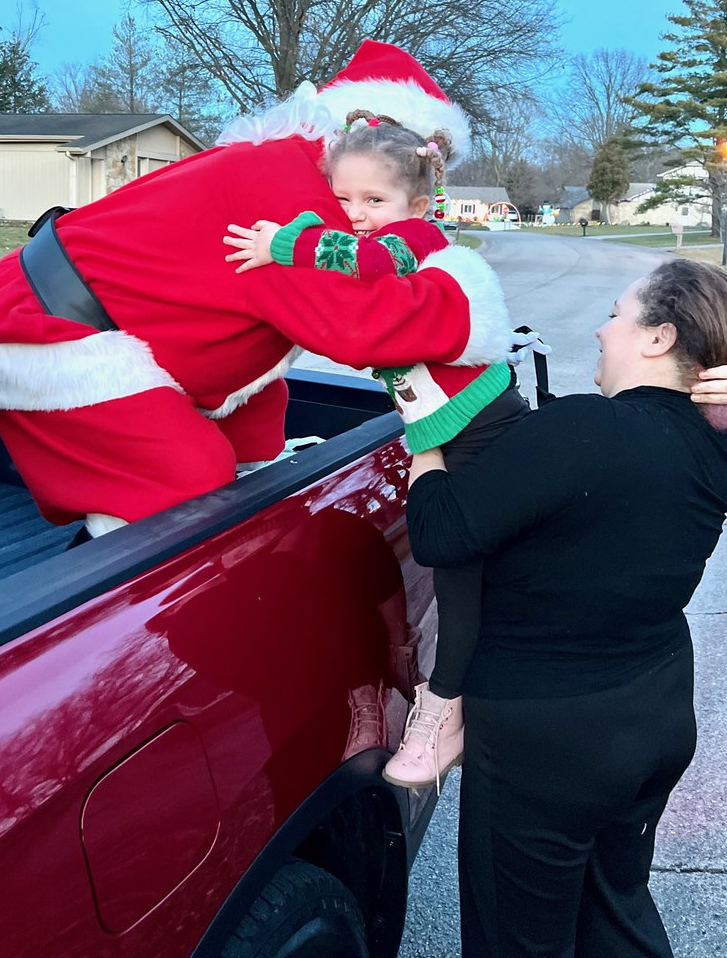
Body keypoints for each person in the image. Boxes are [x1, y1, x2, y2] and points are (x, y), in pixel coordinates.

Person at [0, 41, 517, 540]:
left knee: (259, 422)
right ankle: (119, 591)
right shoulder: (291, 190)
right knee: (184, 485)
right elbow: (358, 327)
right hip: (41, 327)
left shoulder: (308, 172)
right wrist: (466, 302)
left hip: (99, 316)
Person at [404, 257, 727, 958]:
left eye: (616, 314)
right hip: (655, 714)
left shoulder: (579, 432)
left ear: (658, 337)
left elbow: (439, 531)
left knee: (518, 940)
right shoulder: (721, 442)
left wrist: (424, 432)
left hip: (547, 740)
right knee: (614, 915)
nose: (600, 330)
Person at [223, 112, 544, 790]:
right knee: (464, 573)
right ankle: (455, 689)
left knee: (458, 573)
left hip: (479, 425)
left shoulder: (413, 241)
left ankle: (446, 708)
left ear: (418, 205)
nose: (356, 214)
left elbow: (366, 259)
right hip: (452, 427)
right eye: (342, 198)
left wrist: (284, 243)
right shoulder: (384, 241)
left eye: (374, 199)